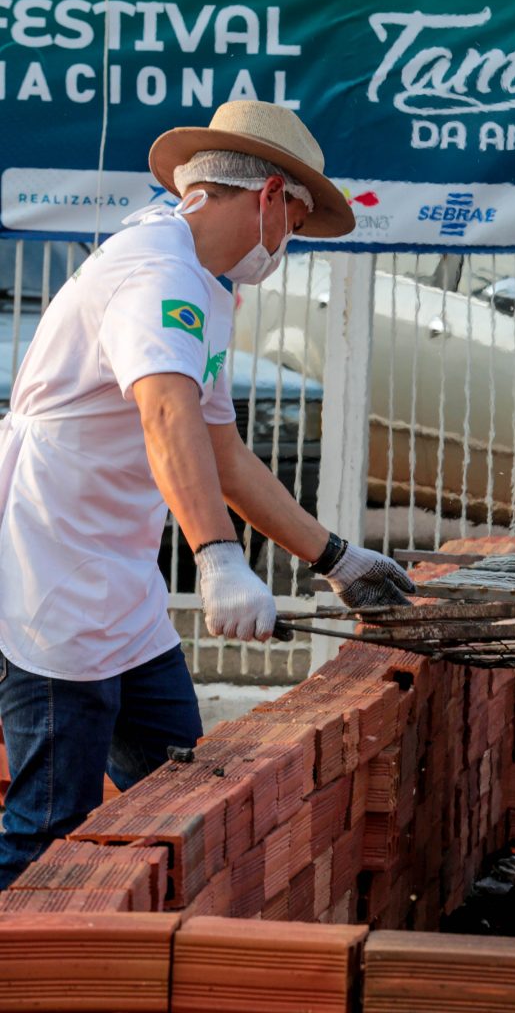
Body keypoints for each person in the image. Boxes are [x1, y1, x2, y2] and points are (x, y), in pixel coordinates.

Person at [0, 102, 416, 890]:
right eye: (295, 220)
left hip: (117, 581)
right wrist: (218, 559)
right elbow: (165, 411)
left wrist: (333, 557)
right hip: (53, 578)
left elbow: (221, 448)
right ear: (267, 196)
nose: (288, 242)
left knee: (183, 787)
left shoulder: (207, 286)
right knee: (47, 835)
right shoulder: (156, 270)